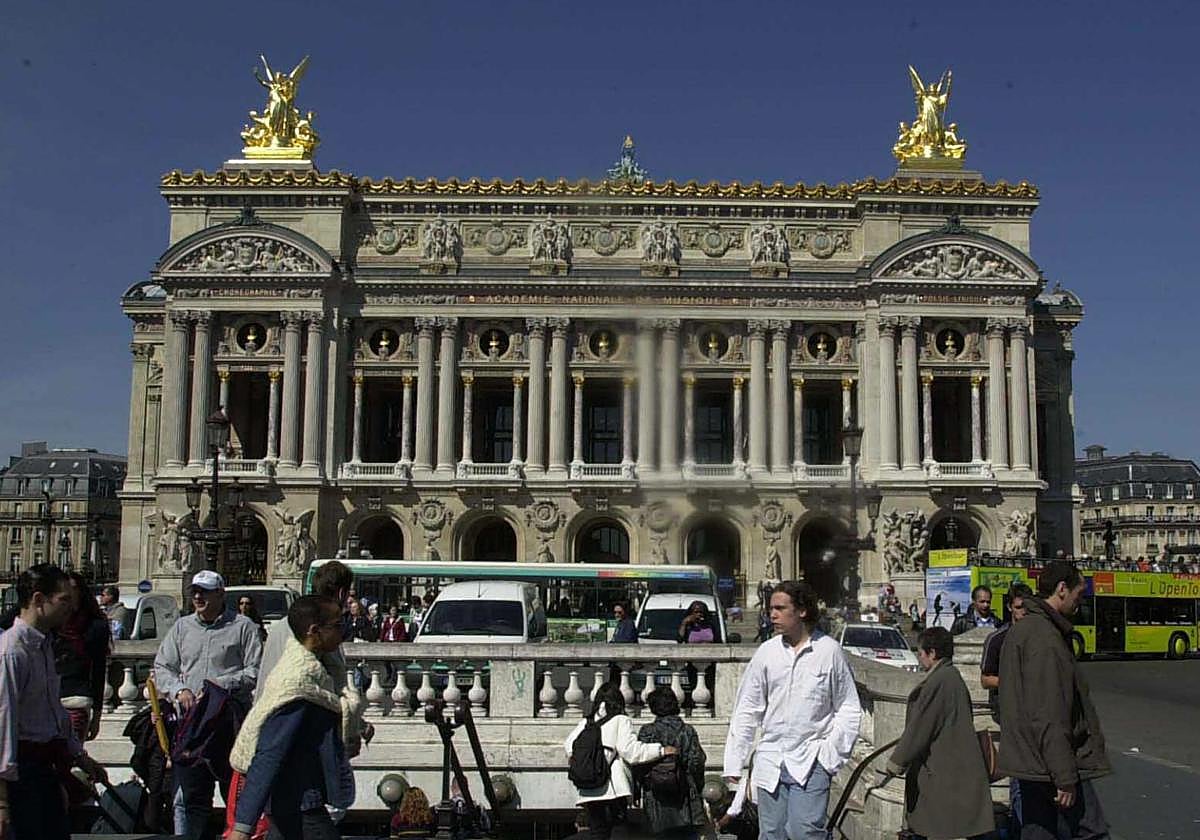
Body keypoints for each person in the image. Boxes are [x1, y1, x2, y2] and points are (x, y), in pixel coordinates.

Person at [723, 580, 862, 840]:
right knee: (772, 833)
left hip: (811, 758)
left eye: (779, 608)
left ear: (802, 611)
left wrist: (830, 755)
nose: (771, 614)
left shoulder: (829, 652)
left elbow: (848, 708)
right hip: (771, 758)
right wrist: (735, 759)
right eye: (770, 608)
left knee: (805, 831)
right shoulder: (767, 653)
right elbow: (747, 708)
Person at [227, 596, 355, 840]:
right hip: (298, 802)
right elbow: (269, 754)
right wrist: (242, 828)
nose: (344, 631)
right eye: (337, 625)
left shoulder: (313, 669)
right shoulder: (297, 682)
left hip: (299, 801)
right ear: (313, 631)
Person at [999, 561, 1111, 839]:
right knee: (1091, 831)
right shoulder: (1045, 639)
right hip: (1050, 762)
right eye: (1078, 594)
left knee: (1039, 832)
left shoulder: (1023, 630)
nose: (1080, 602)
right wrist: (1065, 777)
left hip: (1030, 760)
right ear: (1062, 589)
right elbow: (1049, 713)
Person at [0, 564, 108, 840]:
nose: (71, 608)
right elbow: (3, 723)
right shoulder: (12, 653)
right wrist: (2, 799)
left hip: (44, 765)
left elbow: (54, 712)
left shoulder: (44, 645)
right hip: (20, 773)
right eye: (64, 600)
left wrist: (80, 756)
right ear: (39, 601)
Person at [154, 570, 263, 840]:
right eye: (195, 592)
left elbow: (256, 670)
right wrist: (179, 690)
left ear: (220, 594)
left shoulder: (242, 627)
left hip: (228, 723)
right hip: (192, 725)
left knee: (234, 794)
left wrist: (221, 684)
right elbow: (163, 666)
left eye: (204, 591)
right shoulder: (182, 627)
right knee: (192, 797)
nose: (198, 597)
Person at [885, 627, 994, 840]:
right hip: (950, 769)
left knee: (933, 828)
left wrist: (896, 763)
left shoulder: (939, 682)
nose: (919, 657)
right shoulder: (950, 677)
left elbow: (920, 729)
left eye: (921, 653)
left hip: (940, 772)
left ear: (932, 653)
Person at [255, 560, 369, 757]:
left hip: (271, 727)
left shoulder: (281, 625)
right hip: (308, 739)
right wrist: (354, 727)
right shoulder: (323, 634)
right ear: (341, 593)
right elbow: (331, 690)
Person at [564, 682, 677, 839]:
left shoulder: (585, 723)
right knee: (618, 829)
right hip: (612, 789)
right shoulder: (620, 720)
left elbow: (569, 745)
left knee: (598, 832)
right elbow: (630, 751)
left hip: (588, 788)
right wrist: (661, 750)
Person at [981, 582, 1033, 833]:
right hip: (1011, 712)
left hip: (1037, 711)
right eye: (1019, 608)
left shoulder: (1041, 637)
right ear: (1011, 609)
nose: (1024, 613)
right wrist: (1011, 680)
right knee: (1018, 773)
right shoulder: (998, 639)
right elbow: (985, 679)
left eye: (1027, 608)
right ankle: (1019, 824)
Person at [636, 687, 707, 839]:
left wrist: (638, 789)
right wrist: (697, 787)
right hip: (684, 797)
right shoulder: (687, 731)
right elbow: (696, 762)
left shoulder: (647, 731)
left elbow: (639, 765)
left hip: (656, 797)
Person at [55, 571, 111, 743]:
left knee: (67, 757)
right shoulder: (52, 624)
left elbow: (99, 671)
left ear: (80, 592)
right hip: (47, 703)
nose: (67, 595)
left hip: (76, 701)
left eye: (71, 589)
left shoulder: (95, 627)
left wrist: (97, 714)